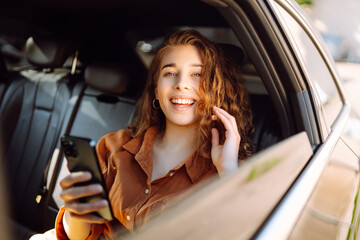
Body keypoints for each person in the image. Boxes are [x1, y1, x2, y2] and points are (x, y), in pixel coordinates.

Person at [42, 29, 254, 239]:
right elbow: (77, 236)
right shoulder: (115, 145)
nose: (181, 84)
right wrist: (77, 210)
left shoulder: (229, 170)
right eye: (170, 73)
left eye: (197, 75)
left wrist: (228, 173)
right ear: (156, 89)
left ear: (214, 90)